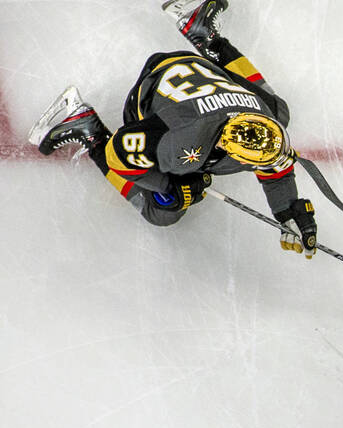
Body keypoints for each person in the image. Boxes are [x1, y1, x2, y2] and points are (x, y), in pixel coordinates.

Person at [27, 0, 317, 258]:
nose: (273, 165)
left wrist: (285, 208)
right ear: (231, 150)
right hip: (151, 94)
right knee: (161, 212)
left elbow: (275, 165)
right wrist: (169, 188)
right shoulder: (178, 141)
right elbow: (120, 155)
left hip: (198, 77)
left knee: (280, 110)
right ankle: (87, 127)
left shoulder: (268, 123)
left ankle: (204, 33)